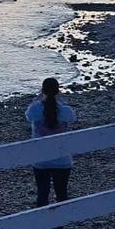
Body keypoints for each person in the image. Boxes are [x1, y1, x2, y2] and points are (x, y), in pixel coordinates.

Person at [25, 77, 76, 210]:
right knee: (61, 193)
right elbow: (72, 118)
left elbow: (28, 116)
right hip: (62, 158)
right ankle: (60, 227)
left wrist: (38, 100)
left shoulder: (35, 109)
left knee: (42, 193)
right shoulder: (65, 110)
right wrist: (60, 101)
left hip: (41, 158)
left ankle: (44, 227)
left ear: (43, 91)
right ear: (58, 91)